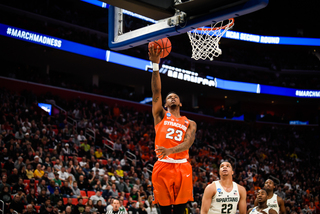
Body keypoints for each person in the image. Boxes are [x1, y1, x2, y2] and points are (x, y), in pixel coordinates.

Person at [149, 46, 197, 214]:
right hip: (163, 166)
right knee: (163, 210)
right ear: (165, 104)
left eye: (175, 96)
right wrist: (155, 66)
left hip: (182, 167)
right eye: (169, 97)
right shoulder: (160, 115)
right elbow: (156, 91)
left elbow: (188, 142)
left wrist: (170, 150)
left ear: (180, 103)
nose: (172, 97)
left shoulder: (190, 122)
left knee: (180, 210)